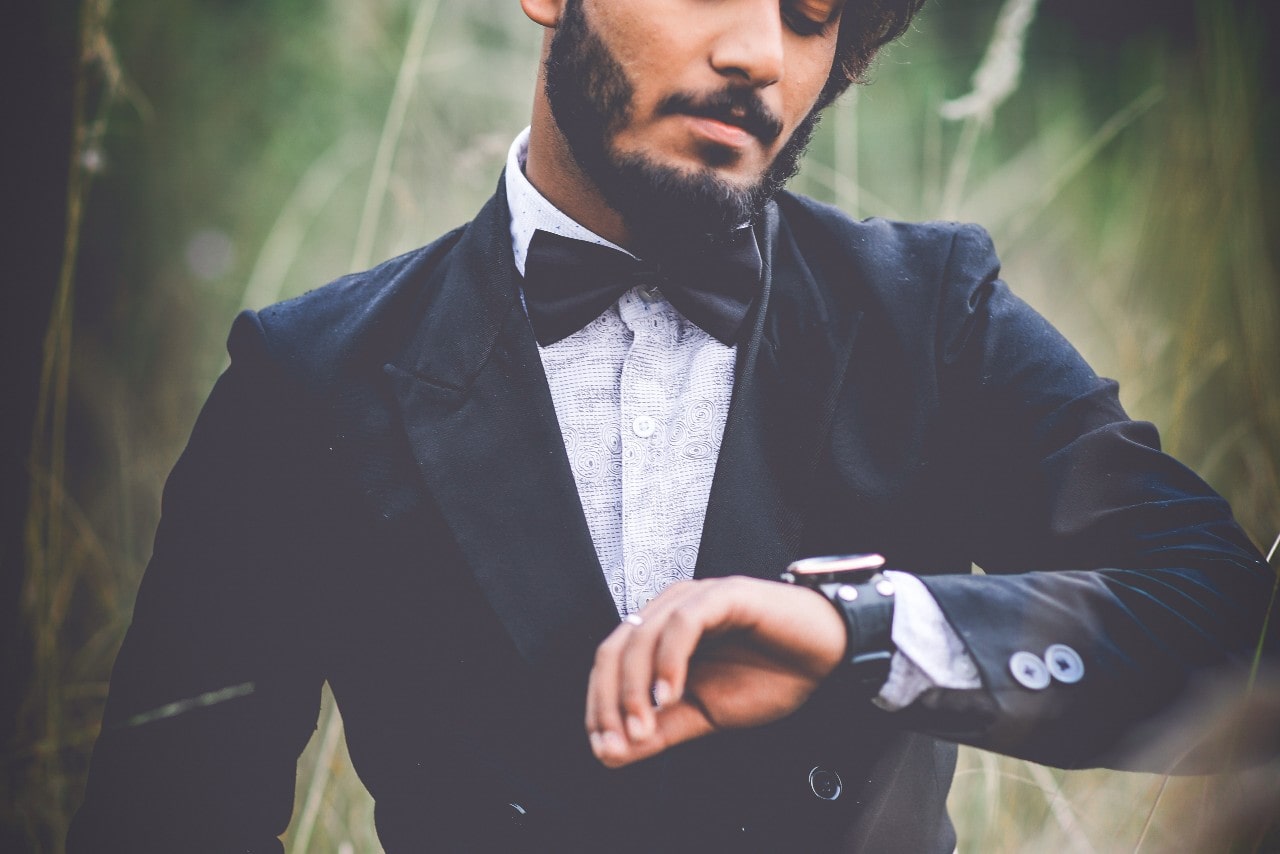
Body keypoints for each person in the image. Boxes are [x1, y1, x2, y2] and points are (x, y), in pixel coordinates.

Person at [69, 0, 1275, 851]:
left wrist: (859, 633)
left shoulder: (933, 318)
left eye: (811, 14)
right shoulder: (308, 378)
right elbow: (165, 815)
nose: (758, 51)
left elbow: (1228, 634)